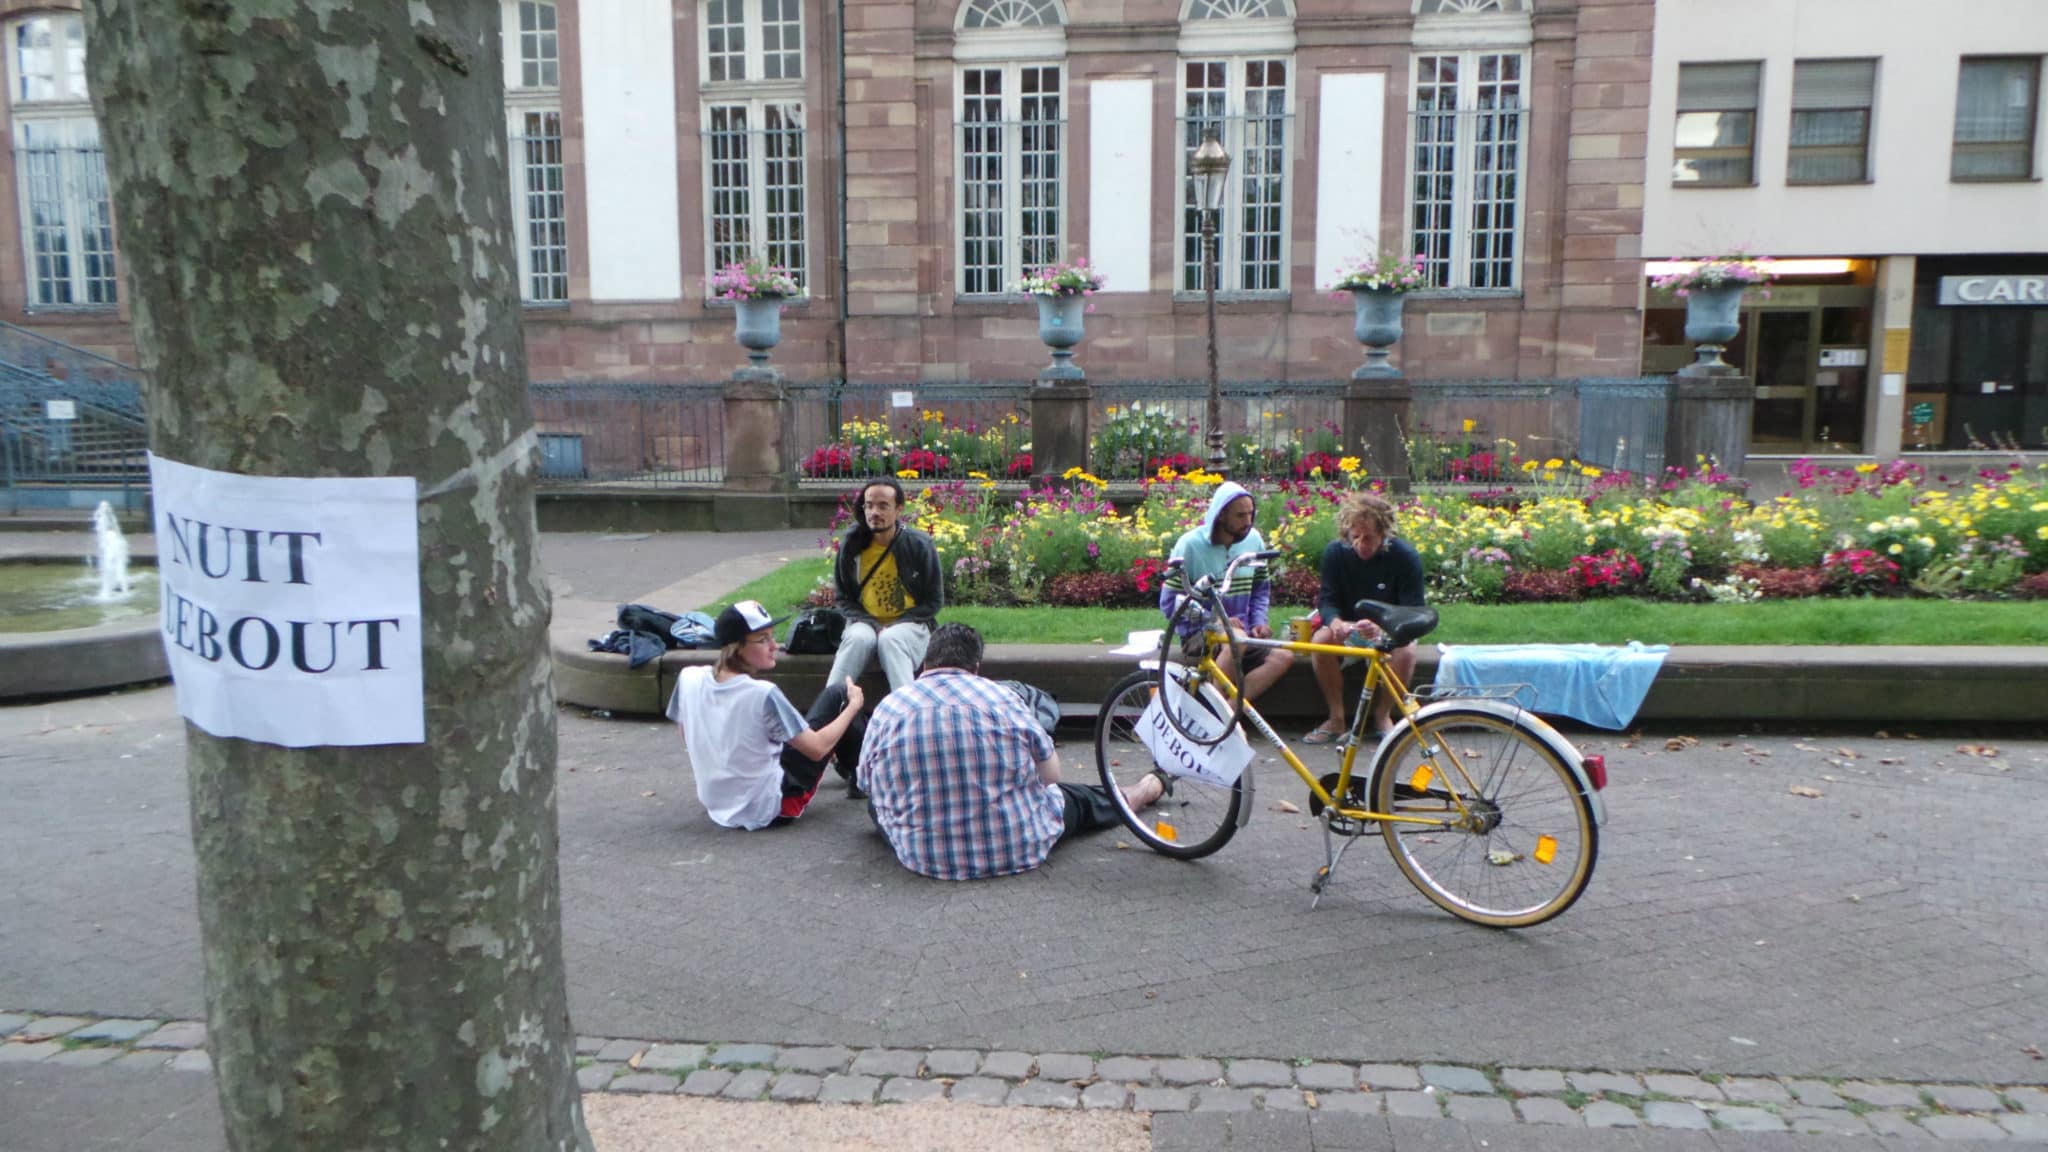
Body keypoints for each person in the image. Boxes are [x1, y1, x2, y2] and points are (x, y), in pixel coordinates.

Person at [857, 623, 1166, 881]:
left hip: (924, 856)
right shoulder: (1002, 698)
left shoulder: (891, 707)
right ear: (976, 667)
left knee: (876, 807)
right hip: (1017, 844)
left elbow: (866, 783)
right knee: (1084, 802)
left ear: (925, 663)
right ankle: (1144, 790)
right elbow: (1051, 777)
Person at [667, 600, 866, 830]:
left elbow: (687, 734)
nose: (774, 646)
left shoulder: (688, 677)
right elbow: (817, 749)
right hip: (771, 807)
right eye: (763, 639)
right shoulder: (762, 694)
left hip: (718, 804)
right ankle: (862, 776)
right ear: (736, 647)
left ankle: (857, 773)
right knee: (841, 695)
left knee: (793, 731)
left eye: (772, 636)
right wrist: (854, 705)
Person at [1158, 480, 1295, 703]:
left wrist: (1259, 621)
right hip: (1199, 633)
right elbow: (1170, 604)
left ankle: (1228, 714)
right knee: (1237, 639)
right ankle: (1211, 714)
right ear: (1221, 515)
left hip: (1243, 633)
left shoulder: (1253, 540)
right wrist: (1217, 622)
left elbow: (1261, 588)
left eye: (1251, 514)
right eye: (1240, 516)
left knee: (1284, 656)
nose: (1248, 522)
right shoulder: (1190, 545)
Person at [1306, 491, 1425, 744]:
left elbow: (1414, 610)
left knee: (1406, 651)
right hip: (1349, 628)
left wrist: (1383, 628)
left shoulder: (1405, 557)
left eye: (1369, 537)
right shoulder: (1336, 554)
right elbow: (1327, 600)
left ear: (1383, 534)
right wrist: (1336, 622)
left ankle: (1382, 715)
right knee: (1320, 640)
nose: (1361, 544)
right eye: (1355, 537)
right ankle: (1336, 718)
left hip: (1389, 630)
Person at [826, 478, 944, 697]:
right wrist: (872, 624)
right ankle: (828, 711)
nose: (874, 512)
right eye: (869, 505)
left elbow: (934, 601)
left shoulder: (919, 545)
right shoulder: (852, 544)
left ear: (899, 509)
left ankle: (908, 712)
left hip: (910, 625)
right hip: (864, 622)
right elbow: (843, 598)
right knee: (858, 638)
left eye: (883, 506)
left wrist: (896, 624)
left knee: (891, 639)